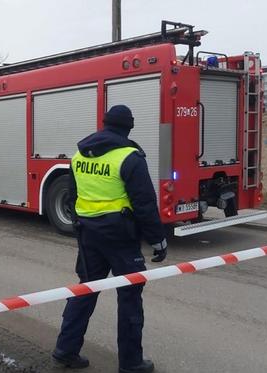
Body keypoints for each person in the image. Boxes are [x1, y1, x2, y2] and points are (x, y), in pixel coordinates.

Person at [52, 105, 168, 372]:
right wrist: (158, 240)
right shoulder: (130, 157)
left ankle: (65, 350)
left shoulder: (79, 154)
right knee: (129, 295)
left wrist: (81, 223)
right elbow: (145, 204)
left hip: (88, 234)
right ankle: (131, 363)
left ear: (104, 124)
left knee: (86, 288)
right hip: (121, 237)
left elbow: (73, 195)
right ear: (129, 127)